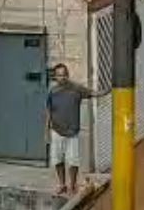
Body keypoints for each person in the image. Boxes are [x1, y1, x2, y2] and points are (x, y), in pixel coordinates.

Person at [45, 63, 106, 197]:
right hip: (56, 130)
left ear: (68, 75)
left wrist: (108, 90)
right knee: (57, 159)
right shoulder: (52, 92)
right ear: (55, 77)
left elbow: (93, 93)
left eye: (65, 74)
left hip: (72, 132)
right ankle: (62, 184)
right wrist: (47, 131)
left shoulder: (76, 89)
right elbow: (48, 111)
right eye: (59, 75)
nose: (63, 77)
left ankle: (72, 185)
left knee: (73, 160)